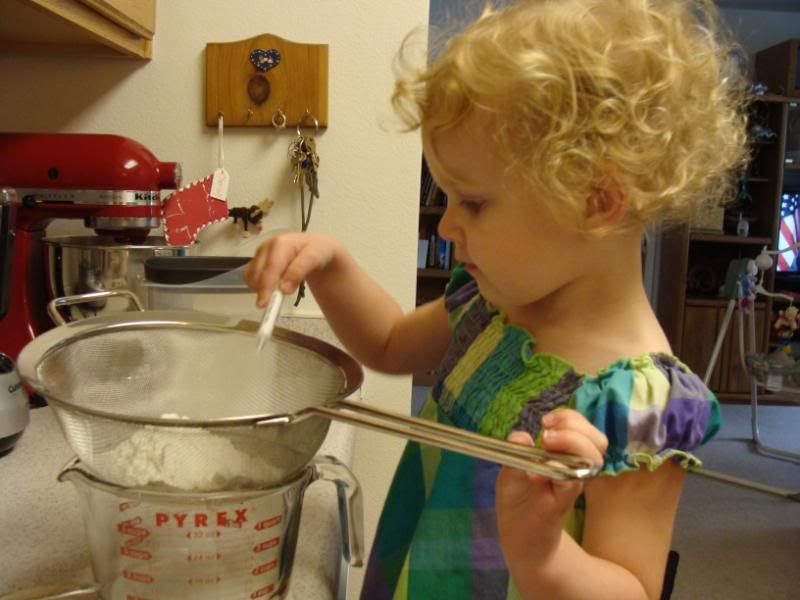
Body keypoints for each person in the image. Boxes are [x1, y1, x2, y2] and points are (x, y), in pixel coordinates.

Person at [245, 0, 748, 597]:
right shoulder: (492, 305)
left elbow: (632, 588)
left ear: (598, 201)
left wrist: (544, 555)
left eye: (474, 202)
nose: (446, 225)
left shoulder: (639, 404)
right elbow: (387, 343)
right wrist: (331, 266)